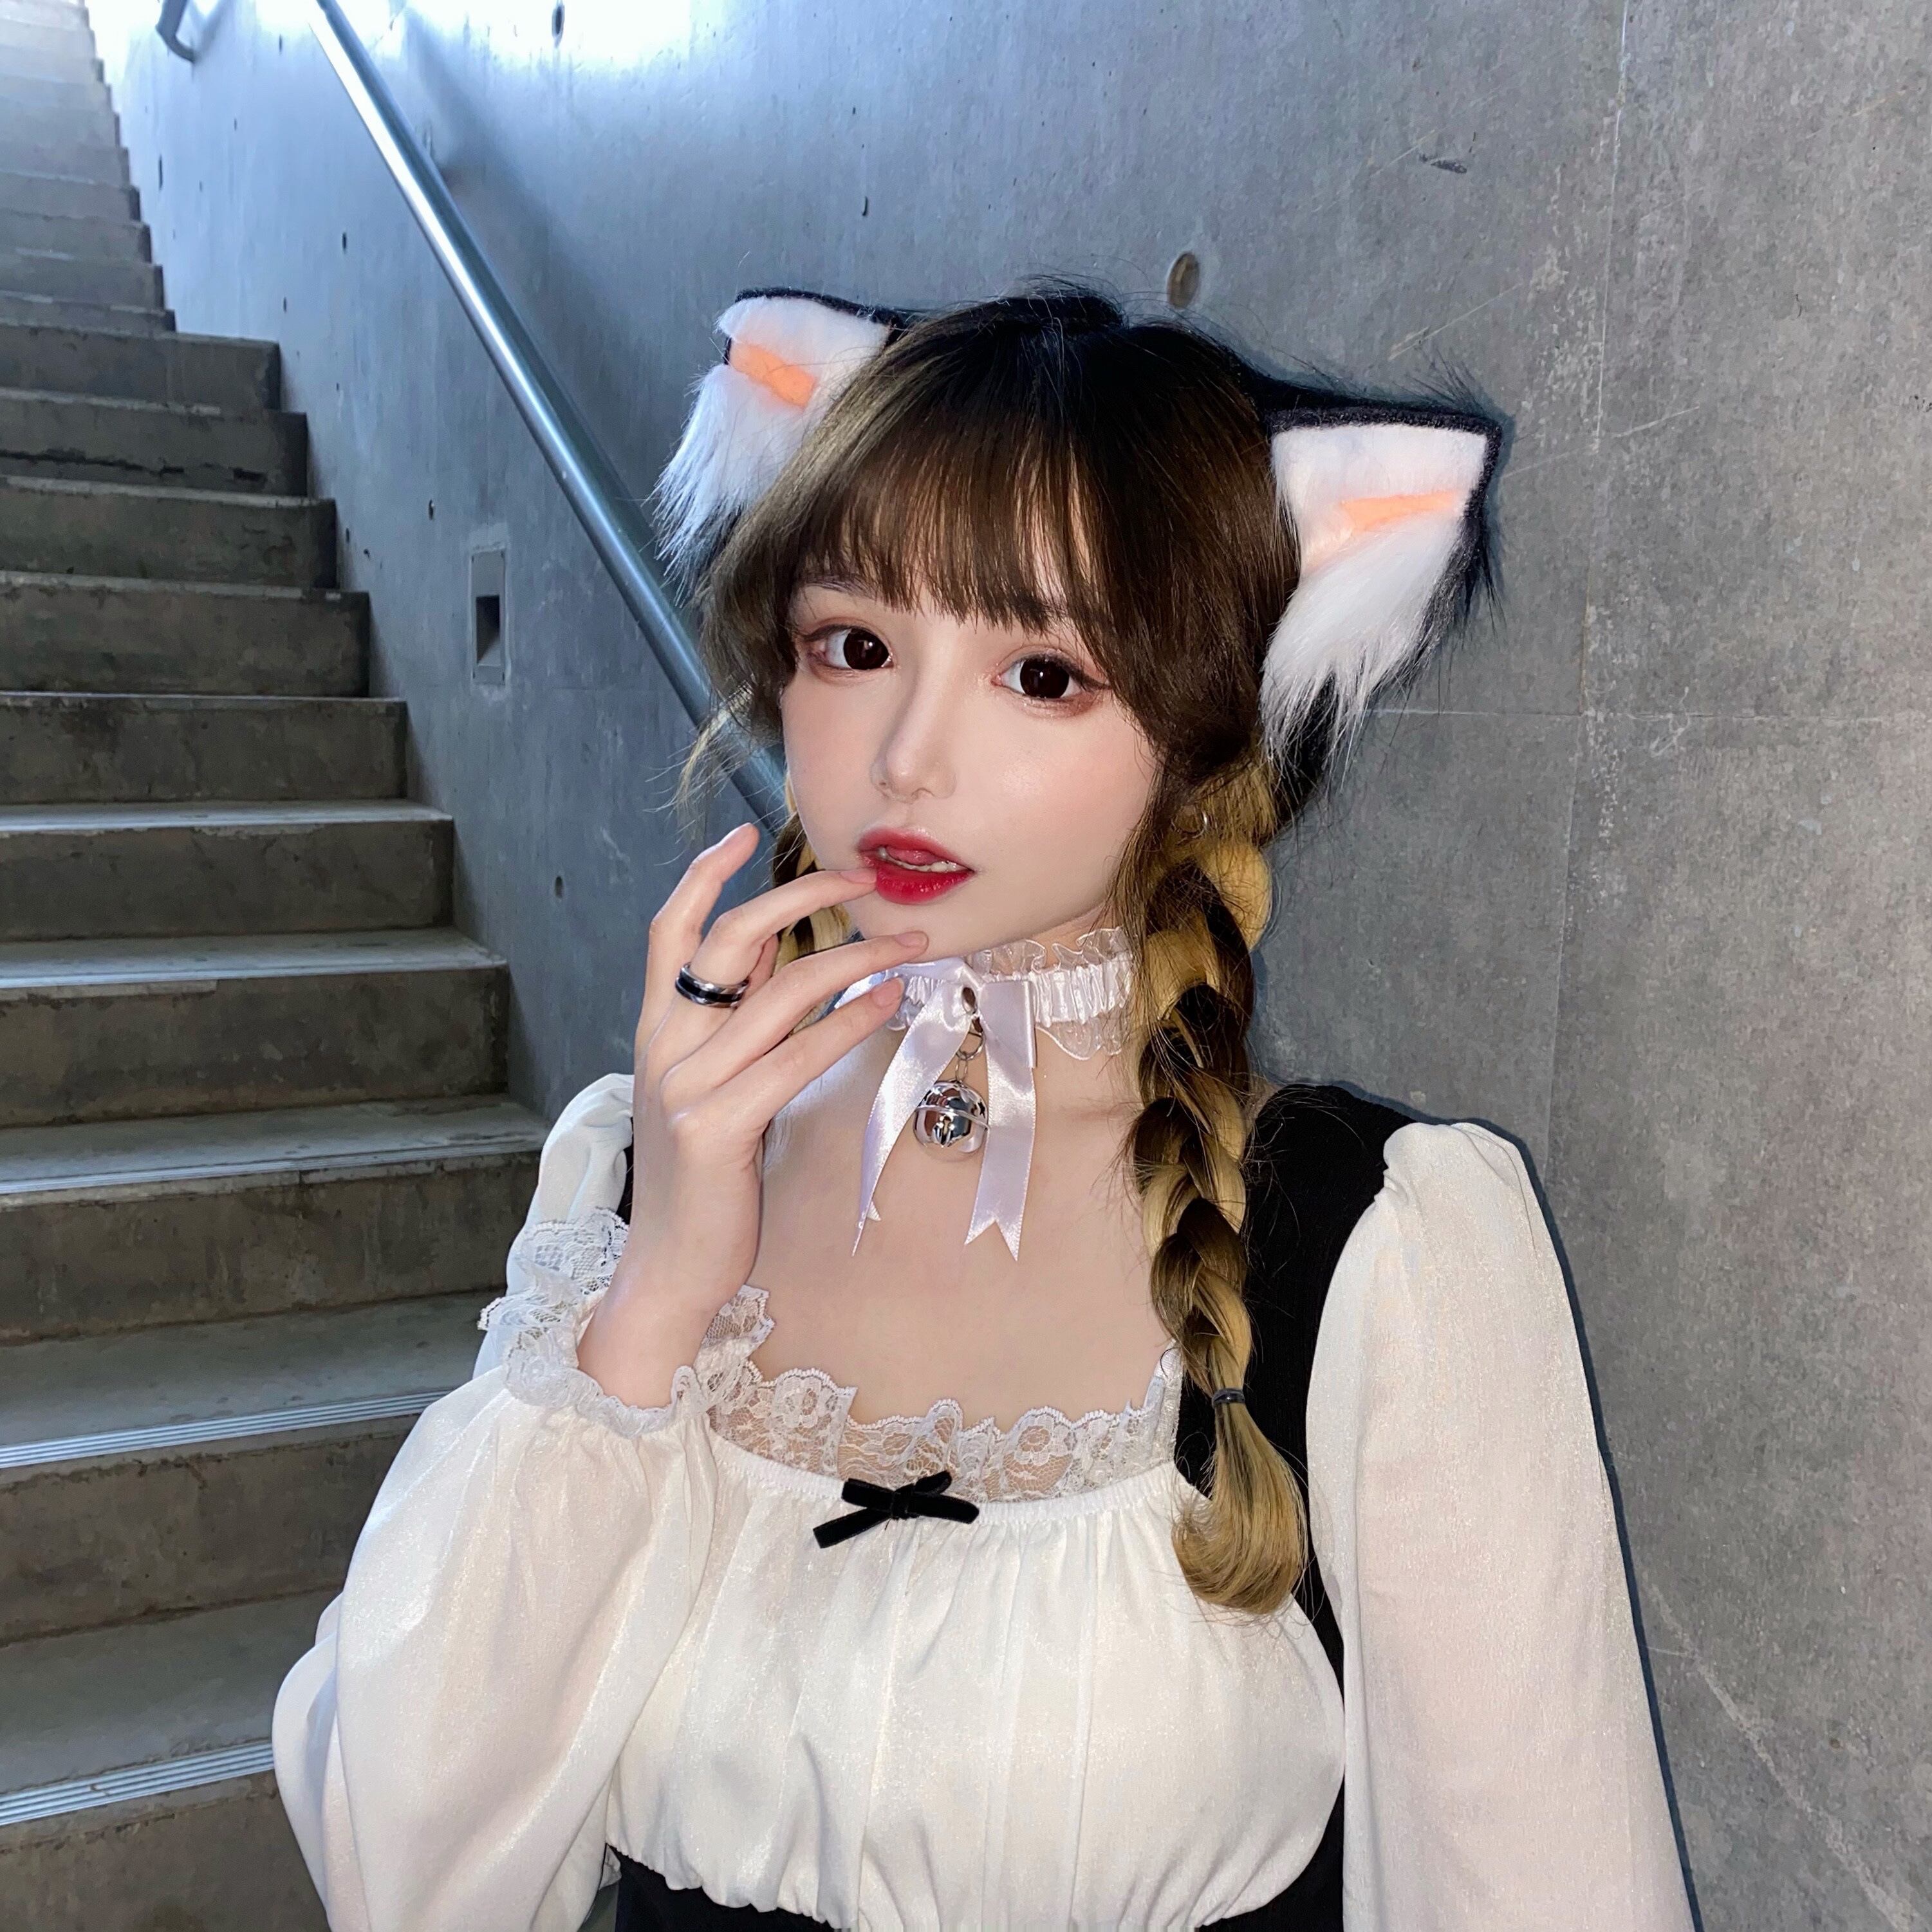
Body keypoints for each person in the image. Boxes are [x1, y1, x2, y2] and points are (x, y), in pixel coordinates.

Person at [272, 286, 1695, 1931]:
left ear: (1205, 728)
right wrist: (654, 1296)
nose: (907, 757)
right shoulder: (626, 1176)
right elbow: (397, 1872)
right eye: (855, 646)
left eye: (1040, 670)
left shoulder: (1381, 1245)